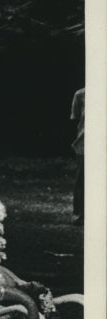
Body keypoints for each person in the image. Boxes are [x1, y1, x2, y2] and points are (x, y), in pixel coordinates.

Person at [70, 86, 84, 224]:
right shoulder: (80, 95)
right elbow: (75, 119)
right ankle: (80, 213)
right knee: (81, 177)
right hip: (84, 142)